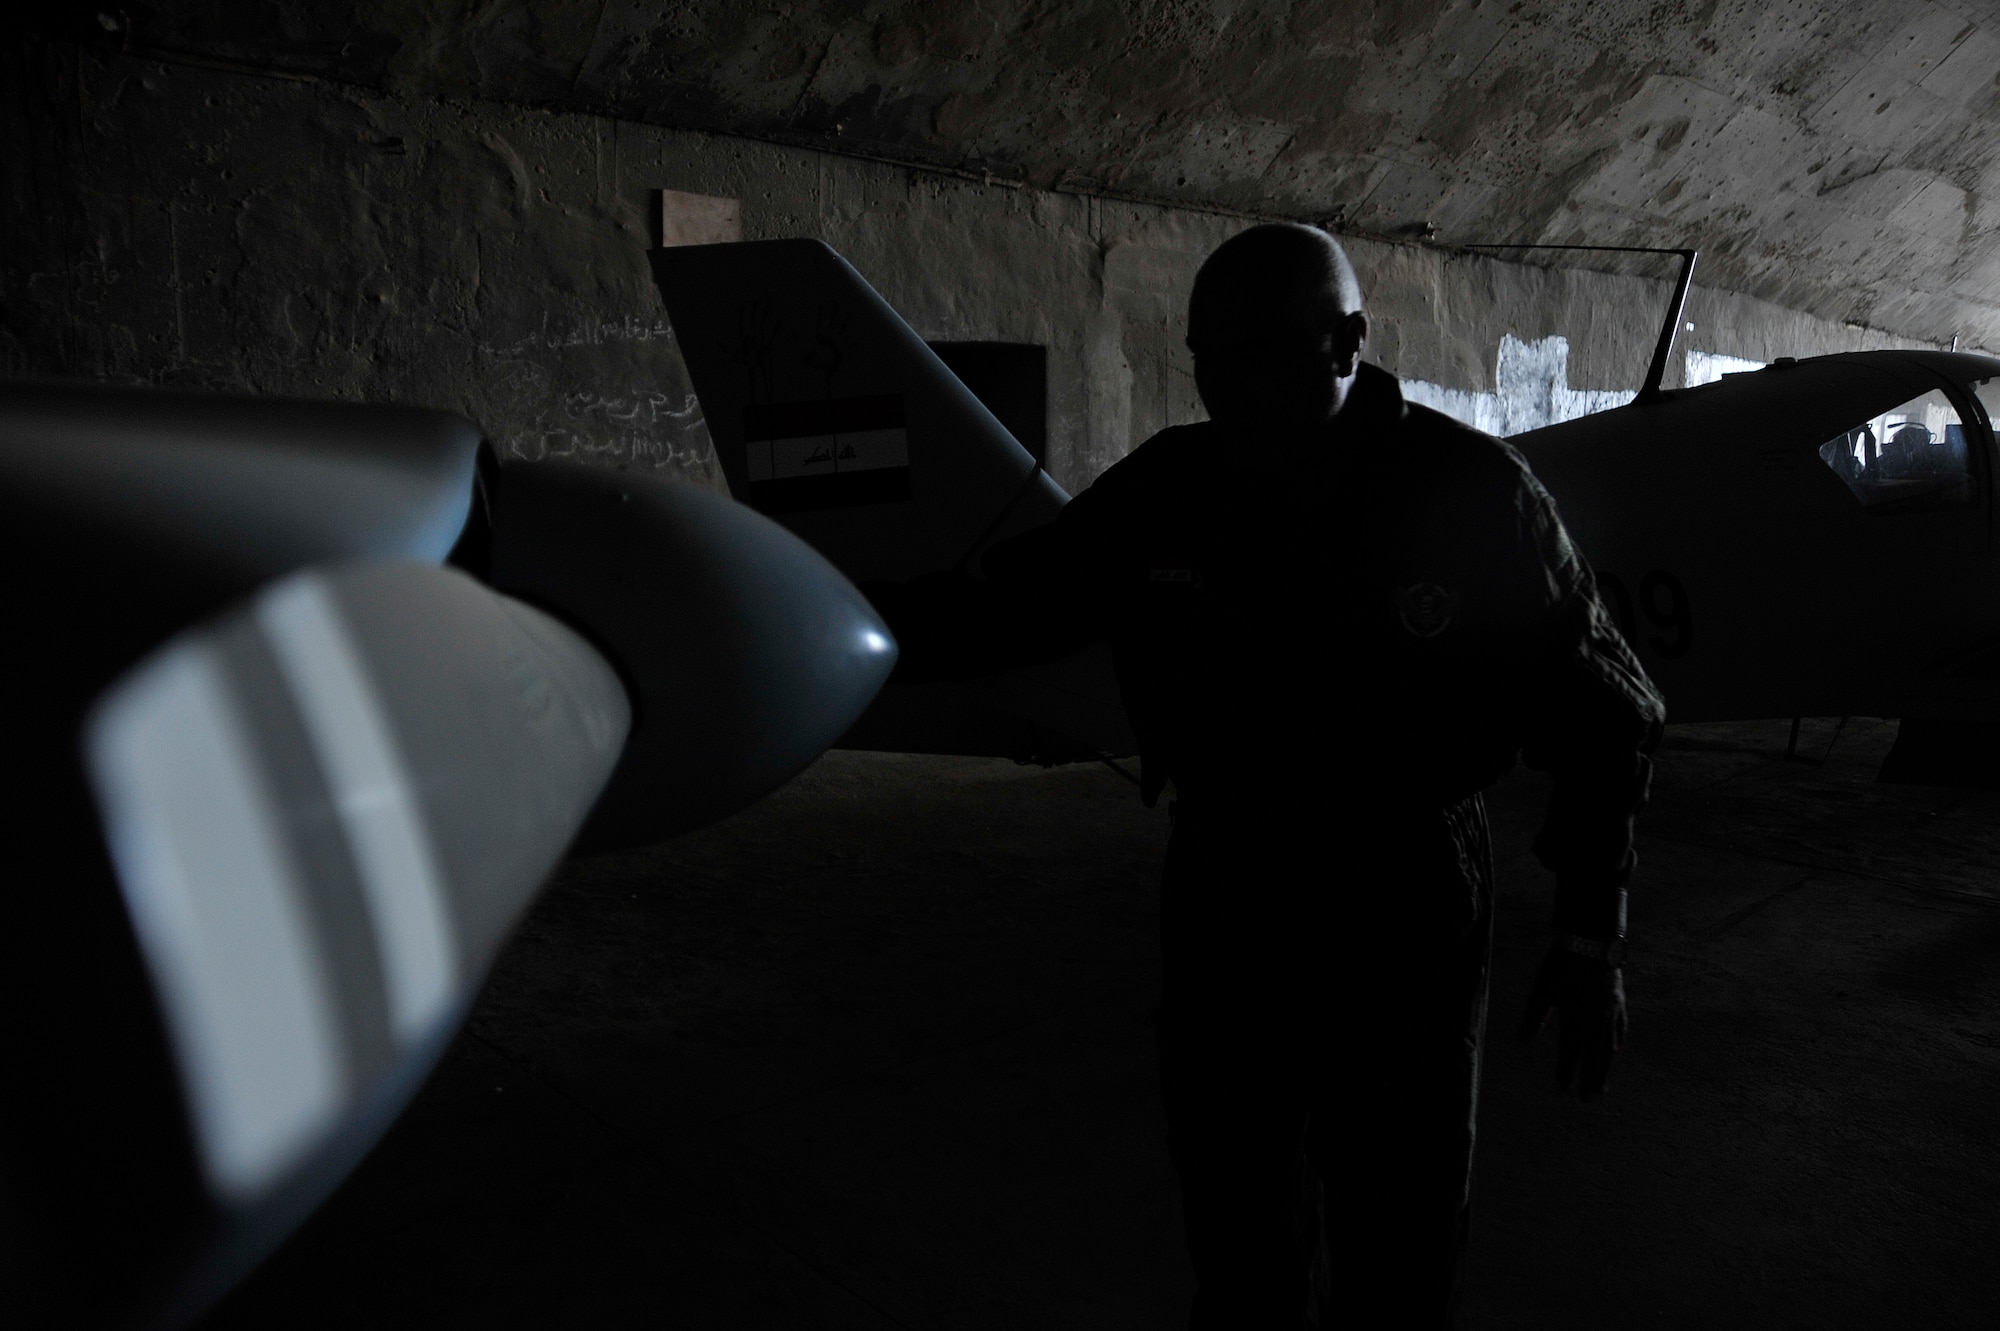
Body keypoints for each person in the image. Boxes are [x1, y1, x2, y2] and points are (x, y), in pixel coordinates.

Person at [877, 223, 1663, 1328]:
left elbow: (1608, 713)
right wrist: (832, 624)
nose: (1225, 388)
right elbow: (1014, 604)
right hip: (1230, 873)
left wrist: (1592, 935)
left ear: (1347, 342)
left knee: (1399, 1219)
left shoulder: (1472, 493)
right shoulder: (1174, 485)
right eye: (1207, 358)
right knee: (1235, 1207)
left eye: (1256, 354)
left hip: (1403, 883)